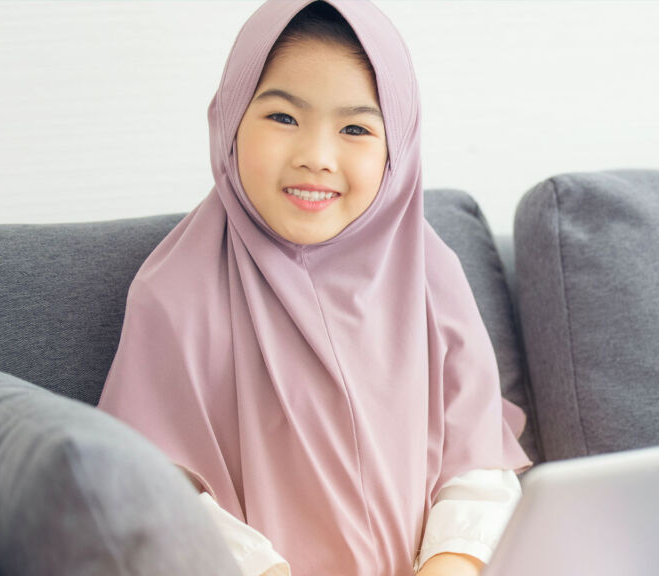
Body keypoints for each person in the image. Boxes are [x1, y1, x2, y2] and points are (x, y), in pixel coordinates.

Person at [95, 1, 534, 575]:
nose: (316, 158)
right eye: (283, 118)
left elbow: (474, 455)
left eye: (355, 128)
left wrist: (450, 562)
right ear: (230, 118)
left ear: (396, 145)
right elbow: (153, 491)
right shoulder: (174, 292)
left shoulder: (432, 273)